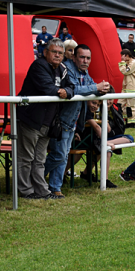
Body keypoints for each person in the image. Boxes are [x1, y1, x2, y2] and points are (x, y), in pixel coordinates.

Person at [43, 43, 108, 198]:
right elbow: (74, 89)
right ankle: (35, 177)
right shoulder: (67, 69)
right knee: (59, 155)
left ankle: (54, 188)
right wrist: (95, 88)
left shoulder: (84, 73)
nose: (85, 61)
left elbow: (90, 86)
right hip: (59, 121)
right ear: (73, 57)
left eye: (88, 58)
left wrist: (101, 88)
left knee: (63, 155)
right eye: (82, 57)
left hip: (71, 123)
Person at [16, 38, 74, 200]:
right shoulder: (38, 65)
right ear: (45, 52)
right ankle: (26, 191)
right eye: (54, 52)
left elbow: (71, 87)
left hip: (47, 122)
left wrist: (66, 92)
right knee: (26, 157)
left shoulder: (62, 69)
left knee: (40, 159)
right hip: (30, 119)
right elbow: (46, 88)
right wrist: (62, 92)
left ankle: (42, 191)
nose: (57, 56)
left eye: (61, 53)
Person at [118, 49, 135, 123]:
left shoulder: (133, 63)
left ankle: (131, 122)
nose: (121, 58)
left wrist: (122, 64)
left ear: (127, 55)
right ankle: (125, 119)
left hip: (132, 87)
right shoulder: (129, 62)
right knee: (119, 104)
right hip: (126, 87)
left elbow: (125, 72)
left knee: (130, 106)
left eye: (122, 56)